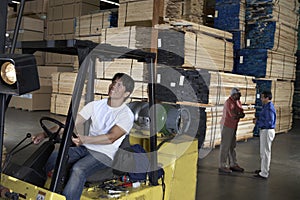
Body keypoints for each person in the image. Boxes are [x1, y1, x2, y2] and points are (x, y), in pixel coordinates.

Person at [32, 73, 135, 200]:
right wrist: (44, 134)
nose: (113, 86)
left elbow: (111, 137)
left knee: (78, 169)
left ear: (126, 94)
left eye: (119, 85)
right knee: (53, 158)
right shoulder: (96, 105)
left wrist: (85, 139)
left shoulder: (126, 115)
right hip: (85, 148)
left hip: (105, 154)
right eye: (113, 83)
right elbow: (71, 123)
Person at [219, 87, 245, 174]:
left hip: (233, 126)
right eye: (238, 95)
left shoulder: (237, 101)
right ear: (233, 95)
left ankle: (233, 164)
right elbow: (233, 115)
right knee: (225, 146)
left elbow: (242, 112)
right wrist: (239, 114)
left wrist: (239, 114)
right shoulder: (228, 102)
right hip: (227, 126)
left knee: (232, 146)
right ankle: (222, 165)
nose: (240, 96)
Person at [253, 91, 276, 179]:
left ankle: (264, 173)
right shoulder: (266, 107)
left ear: (267, 98)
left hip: (267, 131)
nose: (261, 99)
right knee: (263, 152)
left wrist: (258, 122)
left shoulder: (269, 108)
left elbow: (269, 122)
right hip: (264, 130)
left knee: (266, 152)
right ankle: (263, 169)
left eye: (262, 97)